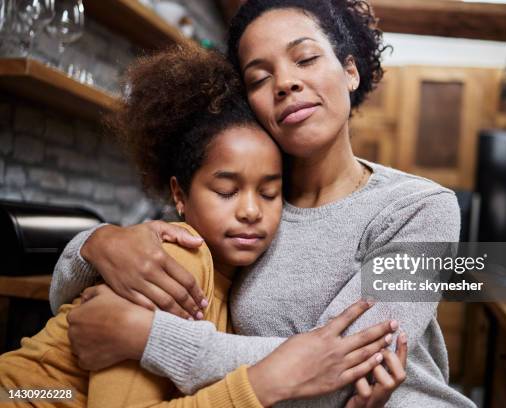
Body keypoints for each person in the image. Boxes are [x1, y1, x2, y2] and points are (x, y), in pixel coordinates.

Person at [50, 0, 477, 406]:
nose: (286, 82)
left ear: (350, 71)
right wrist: (95, 245)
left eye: (305, 58)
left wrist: (149, 337)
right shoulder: (247, 206)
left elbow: (340, 371)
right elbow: (77, 296)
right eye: (258, 77)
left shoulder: (421, 208)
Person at [0, 45, 405, 407]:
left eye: (269, 193)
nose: (250, 211)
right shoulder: (174, 264)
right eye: (227, 191)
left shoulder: (421, 205)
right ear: (179, 196)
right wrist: (262, 384)